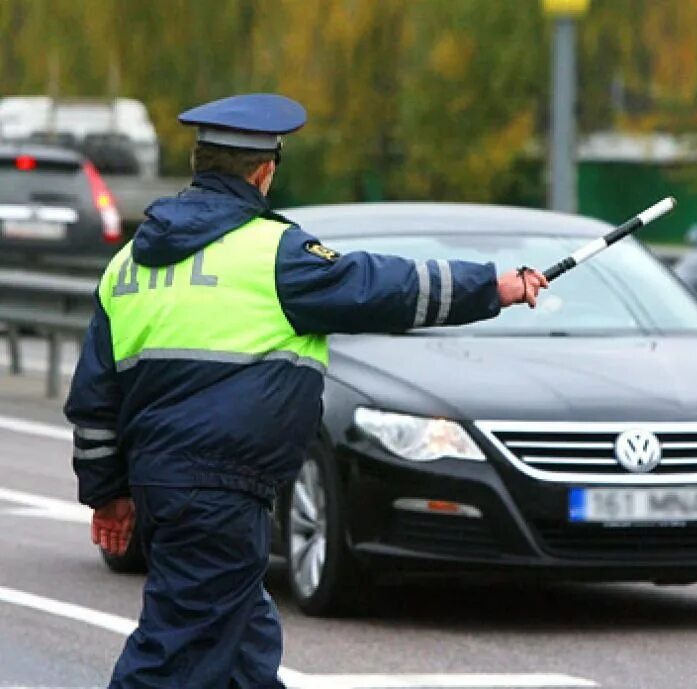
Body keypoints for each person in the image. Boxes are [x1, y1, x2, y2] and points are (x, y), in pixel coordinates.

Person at [64, 93, 547, 689]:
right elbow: (382, 287)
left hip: (166, 485)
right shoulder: (273, 253)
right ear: (264, 172)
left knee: (243, 649)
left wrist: (106, 494)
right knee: (175, 653)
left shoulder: (128, 265)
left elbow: (94, 400)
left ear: (200, 164)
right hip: (222, 487)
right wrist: (491, 286)